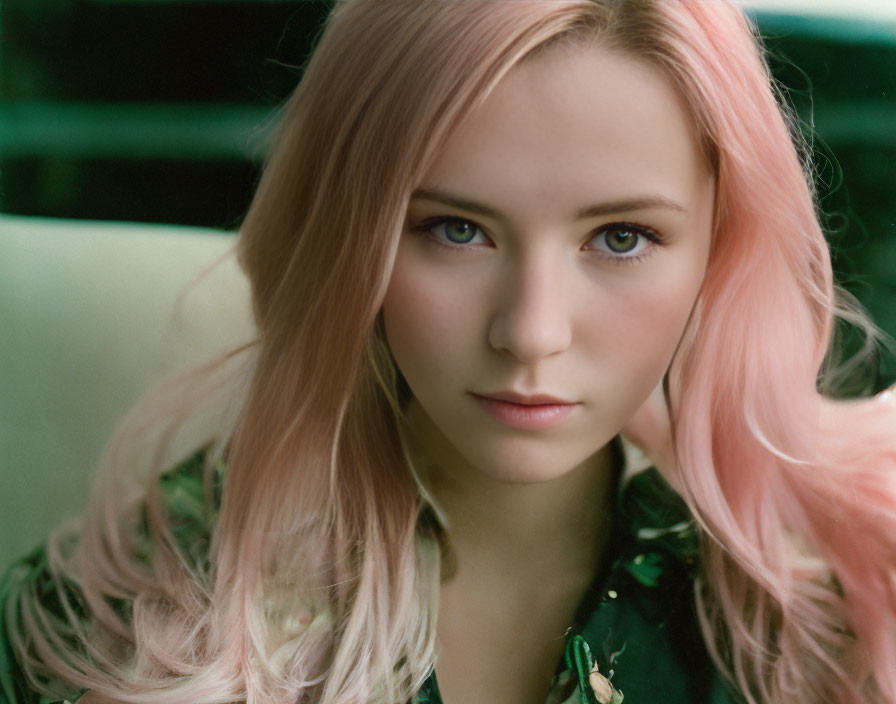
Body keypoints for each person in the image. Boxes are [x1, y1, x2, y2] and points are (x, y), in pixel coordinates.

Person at [1, 1, 895, 703]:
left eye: (620, 238)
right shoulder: (132, 615)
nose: (532, 331)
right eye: (457, 230)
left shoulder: (837, 616)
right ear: (350, 240)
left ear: (720, 248)